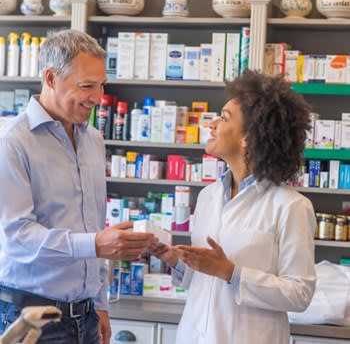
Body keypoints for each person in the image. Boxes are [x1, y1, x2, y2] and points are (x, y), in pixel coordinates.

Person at [0, 29, 157, 344]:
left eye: (101, 85)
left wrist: (99, 302)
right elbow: (16, 235)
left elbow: (92, 221)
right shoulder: (12, 142)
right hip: (29, 318)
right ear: (50, 78)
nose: (97, 98)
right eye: (86, 86)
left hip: (84, 316)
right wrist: (94, 244)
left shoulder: (93, 140)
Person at [151, 70, 317, 344]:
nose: (212, 124)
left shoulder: (291, 206)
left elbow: (300, 294)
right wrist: (173, 260)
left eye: (225, 118)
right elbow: (206, 283)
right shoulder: (208, 196)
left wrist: (231, 272)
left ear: (248, 138)